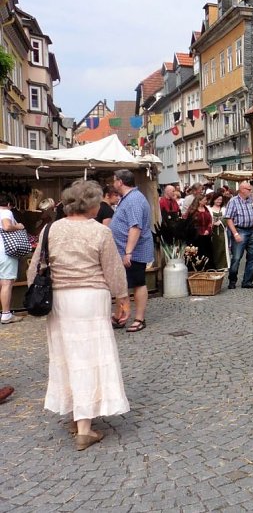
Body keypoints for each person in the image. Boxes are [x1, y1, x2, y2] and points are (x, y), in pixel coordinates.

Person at [27, 179, 131, 451]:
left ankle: (77, 415)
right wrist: (122, 298)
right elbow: (113, 270)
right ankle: (84, 428)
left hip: (60, 300)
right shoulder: (100, 232)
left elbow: (33, 269)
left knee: (68, 356)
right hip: (91, 299)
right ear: (92, 205)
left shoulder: (51, 229)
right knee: (91, 358)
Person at [110, 169, 154, 332]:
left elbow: (135, 227)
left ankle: (139, 319)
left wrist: (128, 252)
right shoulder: (127, 198)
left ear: (120, 182)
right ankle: (119, 316)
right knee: (122, 284)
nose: (113, 183)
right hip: (124, 250)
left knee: (138, 283)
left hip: (134, 251)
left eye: (114, 180)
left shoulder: (134, 199)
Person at [223, 180, 253, 289]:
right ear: (242, 190)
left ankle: (247, 281)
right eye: (249, 189)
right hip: (240, 230)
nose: (250, 191)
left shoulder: (251, 200)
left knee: (252, 257)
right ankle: (232, 280)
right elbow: (228, 218)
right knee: (237, 257)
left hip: (251, 230)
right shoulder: (233, 201)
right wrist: (235, 233)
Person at [0, 193, 25, 325]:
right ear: (9, 204)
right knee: (6, 283)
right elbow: (7, 226)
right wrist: (18, 226)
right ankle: (6, 314)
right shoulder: (6, 212)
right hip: (5, 251)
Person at [185, 195, 213, 269]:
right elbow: (190, 224)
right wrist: (198, 232)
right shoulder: (192, 211)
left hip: (206, 236)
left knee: (207, 252)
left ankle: (207, 267)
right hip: (195, 237)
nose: (206, 201)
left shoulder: (206, 209)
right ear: (199, 201)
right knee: (197, 253)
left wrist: (208, 230)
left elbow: (210, 221)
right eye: (204, 200)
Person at [208, 192, 230, 270]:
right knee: (213, 249)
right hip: (212, 232)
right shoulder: (209, 209)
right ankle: (214, 266)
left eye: (220, 199)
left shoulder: (224, 209)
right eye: (217, 199)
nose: (219, 201)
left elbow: (227, 218)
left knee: (222, 248)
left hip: (222, 232)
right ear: (213, 200)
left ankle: (223, 265)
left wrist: (220, 222)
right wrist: (211, 223)